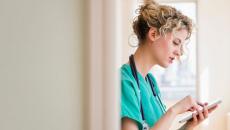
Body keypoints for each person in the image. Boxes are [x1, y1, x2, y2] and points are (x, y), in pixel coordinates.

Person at [120, 0, 218, 130]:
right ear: (153, 34)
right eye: (176, 43)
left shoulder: (151, 82)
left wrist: (188, 126)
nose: (179, 52)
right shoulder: (124, 82)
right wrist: (174, 110)